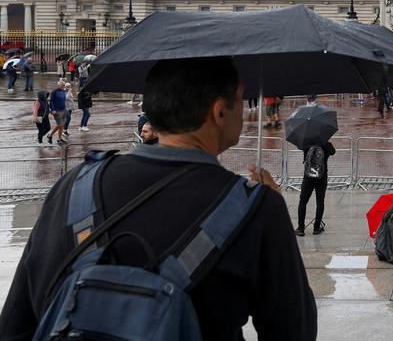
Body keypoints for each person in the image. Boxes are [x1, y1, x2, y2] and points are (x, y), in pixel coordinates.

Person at [0, 57, 318, 340]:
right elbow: (295, 330)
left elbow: (16, 325)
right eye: (240, 99)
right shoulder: (258, 208)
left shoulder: (72, 186)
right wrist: (275, 215)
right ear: (220, 111)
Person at [295, 139, 336, 236]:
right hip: (322, 177)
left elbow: (301, 149)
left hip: (308, 177)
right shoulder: (326, 144)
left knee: (303, 201)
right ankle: (316, 228)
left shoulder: (307, 143)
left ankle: (301, 228)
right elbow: (333, 152)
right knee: (320, 201)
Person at [47, 80, 68, 145]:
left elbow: (64, 100)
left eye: (64, 85)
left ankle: (59, 139)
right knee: (60, 125)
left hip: (63, 110)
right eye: (62, 85)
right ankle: (50, 135)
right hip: (57, 111)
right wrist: (52, 109)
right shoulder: (54, 92)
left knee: (61, 126)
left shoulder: (63, 91)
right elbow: (52, 101)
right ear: (58, 85)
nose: (63, 87)